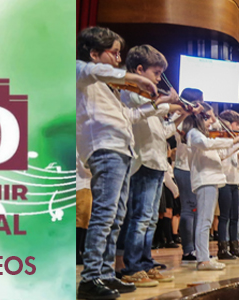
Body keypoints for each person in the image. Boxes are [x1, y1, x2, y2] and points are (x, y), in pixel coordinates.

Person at [76, 26, 165, 299]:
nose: (118, 58)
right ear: (94, 53)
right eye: (114, 53)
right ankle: (90, 278)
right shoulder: (82, 71)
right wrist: (132, 77)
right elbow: (94, 70)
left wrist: (161, 105)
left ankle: (105, 273)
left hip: (121, 150)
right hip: (105, 149)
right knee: (104, 216)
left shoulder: (107, 87)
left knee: (116, 218)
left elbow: (129, 116)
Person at [117, 44, 181, 287]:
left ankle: (145, 263)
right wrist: (164, 101)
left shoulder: (149, 99)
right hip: (141, 161)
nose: (158, 78)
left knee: (150, 218)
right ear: (139, 69)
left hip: (156, 161)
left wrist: (179, 113)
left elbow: (163, 131)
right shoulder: (131, 93)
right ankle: (133, 267)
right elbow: (137, 115)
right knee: (140, 217)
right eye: (156, 73)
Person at [184, 105, 239, 270]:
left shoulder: (205, 136)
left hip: (211, 180)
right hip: (204, 180)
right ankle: (203, 260)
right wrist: (232, 140)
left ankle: (204, 258)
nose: (213, 121)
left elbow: (222, 154)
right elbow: (206, 144)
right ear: (201, 118)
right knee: (204, 221)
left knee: (207, 220)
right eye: (209, 117)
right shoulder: (194, 134)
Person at [215, 110, 239, 260]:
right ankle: (223, 248)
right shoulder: (222, 140)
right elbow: (222, 156)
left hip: (236, 180)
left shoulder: (234, 140)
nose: (237, 129)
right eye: (236, 125)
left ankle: (235, 246)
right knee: (224, 216)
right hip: (224, 180)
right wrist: (235, 143)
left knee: (235, 216)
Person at [174, 89, 204, 264]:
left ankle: (196, 248)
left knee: (196, 210)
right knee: (188, 209)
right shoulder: (180, 119)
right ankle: (188, 250)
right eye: (200, 100)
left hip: (194, 168)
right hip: (184, 167)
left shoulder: (195, 120)